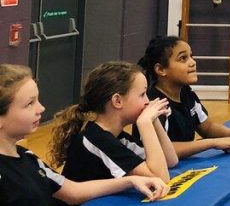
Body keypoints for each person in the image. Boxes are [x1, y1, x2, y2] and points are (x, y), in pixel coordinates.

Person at [0, 64, 166, 206]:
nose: (41, 108)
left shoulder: (26, 157)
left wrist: (129, 181)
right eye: (30, 104)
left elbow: (73, 191)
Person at [51, 61, 179, 183]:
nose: (147, 101)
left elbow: (171, 160)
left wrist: (154, 121)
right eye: (142, 94)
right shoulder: (96, 138)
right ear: (117, 101)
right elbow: (161, 179)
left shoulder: (118, 137)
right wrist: (145, 123)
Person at [139, 35, 230, 158]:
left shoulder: (187, 94)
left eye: (191, 56)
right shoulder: (154, 105)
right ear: (161, 69)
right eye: (183, 58)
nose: (193, 62)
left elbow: (207, 127)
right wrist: (212, 143)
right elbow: (160, 151)